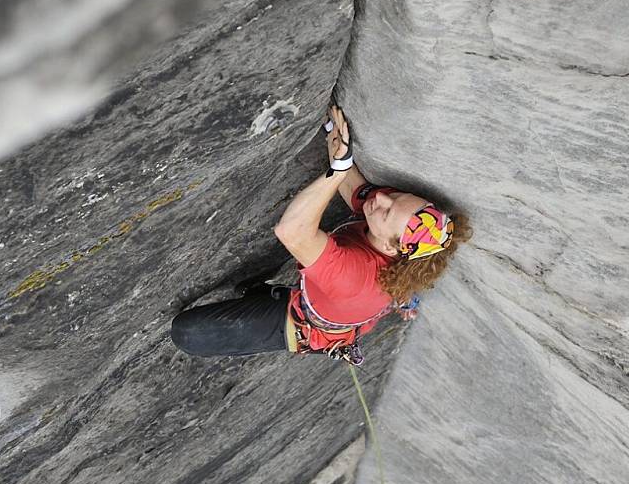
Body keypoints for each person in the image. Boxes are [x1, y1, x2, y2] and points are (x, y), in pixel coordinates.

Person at [170, 103, 470, 365]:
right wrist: (334, 137)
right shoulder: (399, 221)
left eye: (387, 211)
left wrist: (337, 170)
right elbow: (355, 187)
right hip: (346, 300)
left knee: (187, 333)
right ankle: (400, 300)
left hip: (305, 322)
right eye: (397, 196)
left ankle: (276, 297)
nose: (382, 199)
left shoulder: (357, 278)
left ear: (392, 248)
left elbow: (292, 232)